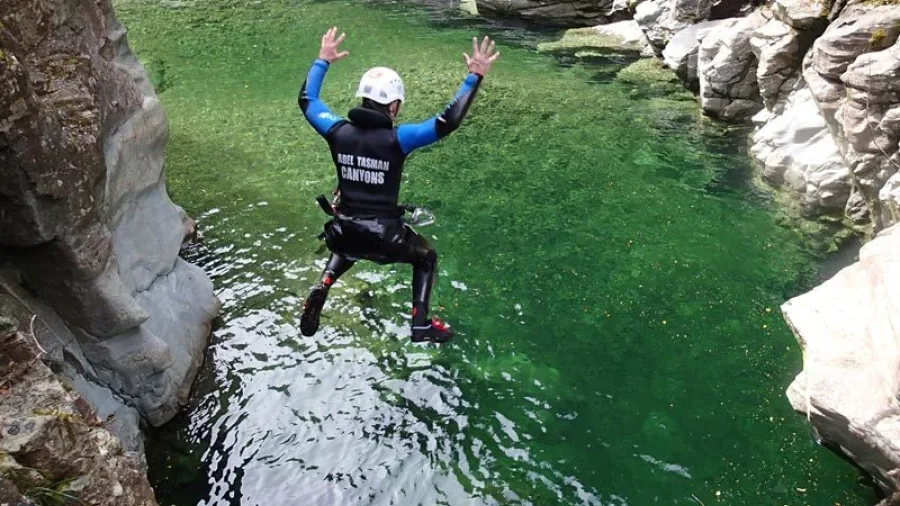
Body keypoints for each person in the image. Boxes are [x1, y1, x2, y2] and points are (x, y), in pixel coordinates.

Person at [298, 27, 499, 343]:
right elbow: (447, 122)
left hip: (342, 232)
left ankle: (324, 282)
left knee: (350, 237)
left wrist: (323, 60)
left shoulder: (336, 131)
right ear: (393, 107)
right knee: (426, 257)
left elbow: (308, 99)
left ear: (362, 99)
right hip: (385, 237)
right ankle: (421, 324)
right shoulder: (398, 139)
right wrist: (473, 77)